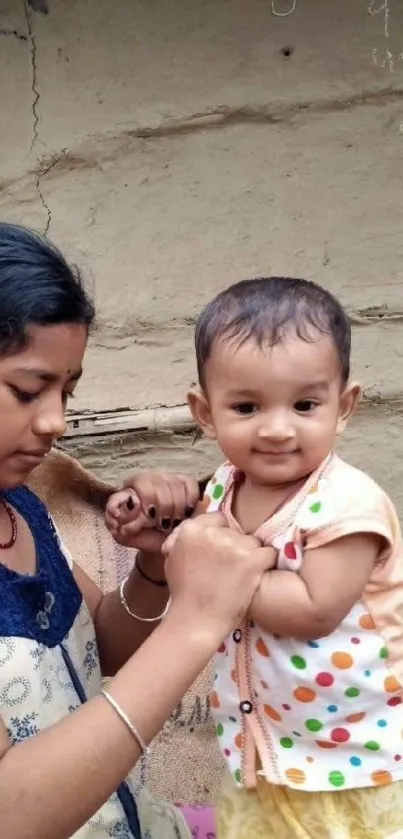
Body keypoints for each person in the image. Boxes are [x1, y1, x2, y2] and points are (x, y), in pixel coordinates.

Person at [0, 223, 275, 839]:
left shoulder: (19, 508)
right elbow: (11, 812)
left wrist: (152, 568)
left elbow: (101, 648)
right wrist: (197, 621)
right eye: (27, 389)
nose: (56, 422)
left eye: (66, 391)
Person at [110, 277, 403, 839]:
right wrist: (161, 536)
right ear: (204, 412)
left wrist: (199, 566)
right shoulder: (225, 485)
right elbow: (202, 541)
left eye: (305, 405)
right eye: (246, 406)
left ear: (343, 407)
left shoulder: (347, 503)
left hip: (354, 759)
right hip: (265, 746)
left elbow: (314, 607)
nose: (276, 428)